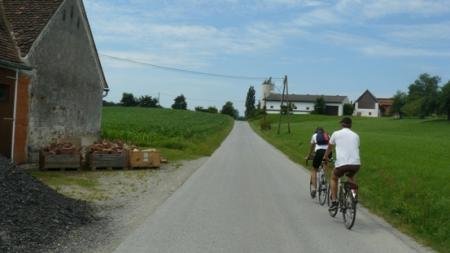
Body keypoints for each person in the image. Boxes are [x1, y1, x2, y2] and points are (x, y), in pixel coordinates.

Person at [323, 117, 360, 212]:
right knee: (350, 177)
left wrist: (325, 157)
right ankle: (354, 197)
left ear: (341, 124)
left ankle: (334, 201)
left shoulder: (336, 133)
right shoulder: (356, 135)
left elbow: (329, 148)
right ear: (350, 125)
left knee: (333, 178)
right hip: (356, 164)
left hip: (342, 164)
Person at [305, 127, 330, 198]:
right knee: (325, 165)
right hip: (327, 152)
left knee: (314, 169)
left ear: (316, 132)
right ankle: (323, 179)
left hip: (319, 152)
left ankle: (314, 189)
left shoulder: (314, 135)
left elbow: (312, 148)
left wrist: (308, 156)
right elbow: (330, 145)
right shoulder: (327, 135)